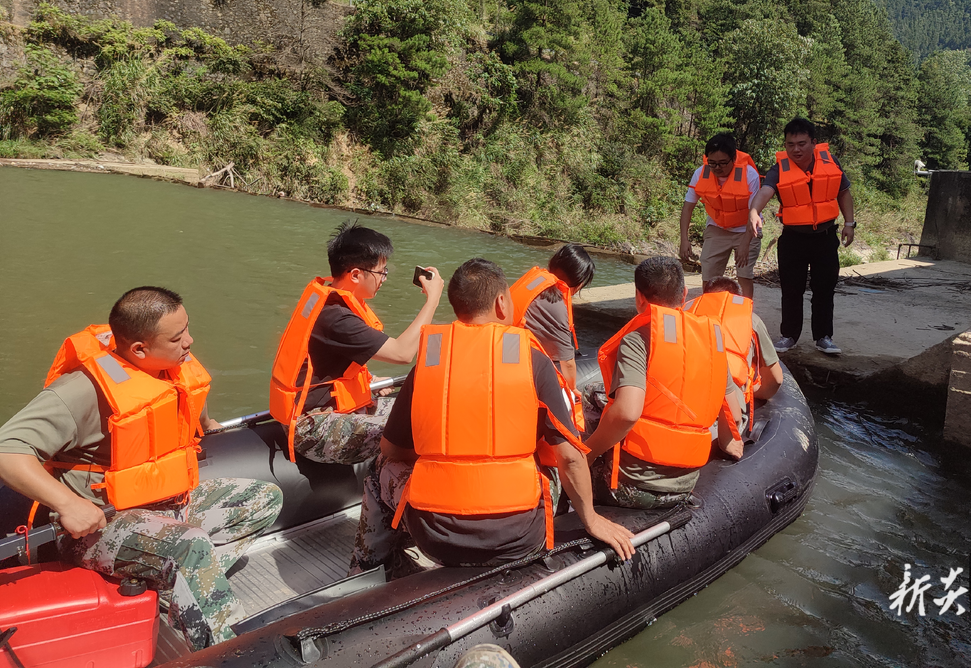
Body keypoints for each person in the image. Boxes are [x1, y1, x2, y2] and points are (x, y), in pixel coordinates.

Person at [0, 287, 283, 651]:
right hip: (102, 524)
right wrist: (69, 505)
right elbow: (8, 449)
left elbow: (187, 399)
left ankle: (174, 592)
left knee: (262, 499)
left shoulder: (169, 366)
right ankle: (233, 653)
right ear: (138, 349)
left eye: (188, 330)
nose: (190, 342)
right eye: (178, 337)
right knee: (189, 546)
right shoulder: (83, 391)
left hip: (167, 506)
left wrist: (208, 421)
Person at [350, 258, 634, 575]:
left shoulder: (430, 359)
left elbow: (391, 450)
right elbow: (569, 458)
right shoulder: (534, 359)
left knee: (379, 469)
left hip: (434, 537)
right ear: (501, 303)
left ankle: (369, 567)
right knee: (550, 460)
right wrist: (592, 520)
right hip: (519, 536)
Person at [269, 221, 444, 463]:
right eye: (381, 272)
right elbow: (403, 353)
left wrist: (369, 381)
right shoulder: (335, 317)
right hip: (312, 426)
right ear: (355, 274)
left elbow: (327, 364)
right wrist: (432, 300)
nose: (384, 278)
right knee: (412, 430)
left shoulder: (335, 304)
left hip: (333, 409)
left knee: (426, 410)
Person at [584, 257, 744, 510]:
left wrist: (587, 454)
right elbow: (733, 413)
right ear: (684, 295)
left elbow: (626, 413)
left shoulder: (637, 340)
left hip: (631, 488)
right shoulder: (713, 342)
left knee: (588, 397)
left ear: (639, 298)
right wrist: (726, 443)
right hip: (686, 485)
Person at [747, 117, 855, 356]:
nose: (796, 149)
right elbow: (766, 191)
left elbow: (844, 192)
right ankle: (789, 336)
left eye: (802, 143)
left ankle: (823, 337)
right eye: (790, 144)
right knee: (791, 289)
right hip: (793, 239)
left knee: (824, 289)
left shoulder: (830, 162)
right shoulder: (779, 168)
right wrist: (754, 211)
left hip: (825, 237)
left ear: (814, 143)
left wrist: (849, 223)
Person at [509, 244, 594, 432]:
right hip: (518, 371)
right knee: (570, 403)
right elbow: (568, 363)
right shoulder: (555, 303)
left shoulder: (533, 282)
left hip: (505, 355)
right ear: (579, 283)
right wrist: (573, 390)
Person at [686, 276, 784, 434]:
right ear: (739, 299)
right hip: (722, 418)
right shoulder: (752, 320)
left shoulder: (684, 314)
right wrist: (754, 391)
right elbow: (776, 380)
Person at [680, 133, 762, 299]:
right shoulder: (700, 174)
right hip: (717, 228)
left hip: (746, 229)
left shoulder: (749, 175)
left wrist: (745, 243)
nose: (717, 168)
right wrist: (684, 239)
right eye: (712, 163)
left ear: (733, 158)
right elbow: (688, 208)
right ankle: (710, 311)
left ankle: (744, 314)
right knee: (709, 275)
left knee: (744, 273)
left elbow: (754, 213)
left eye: (723, 163)